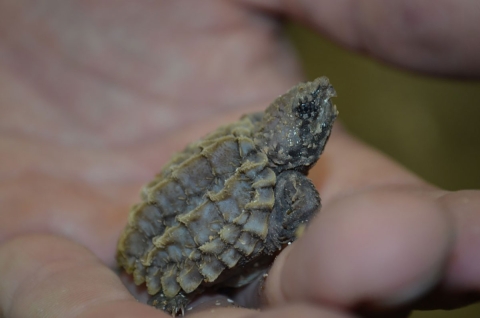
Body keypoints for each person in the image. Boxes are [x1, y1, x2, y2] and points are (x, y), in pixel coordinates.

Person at [0, 1, 479, 317]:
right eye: (307, 114)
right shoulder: (292, 189)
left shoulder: (254, 136)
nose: (321, 106)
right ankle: (167, 292)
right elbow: (283, 232)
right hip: (170, 257)